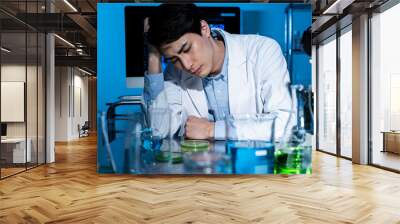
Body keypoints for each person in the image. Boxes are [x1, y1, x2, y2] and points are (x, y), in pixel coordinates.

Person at [144, 3, 293, 140]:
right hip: (203, 168)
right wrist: (153, 56)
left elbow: (285, 124)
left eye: (187, 49)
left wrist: (213, 130)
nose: (186, 64)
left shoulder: (263, 50)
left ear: (204, 29)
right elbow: (159, 131)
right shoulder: (175, 71)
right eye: (173, 59)